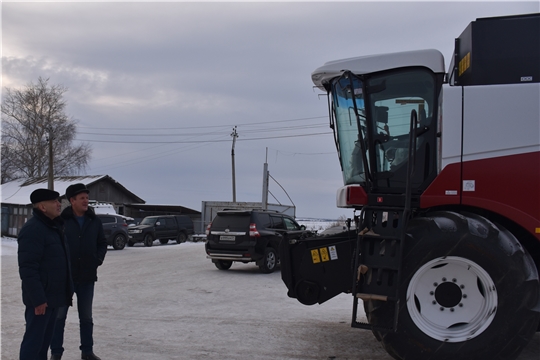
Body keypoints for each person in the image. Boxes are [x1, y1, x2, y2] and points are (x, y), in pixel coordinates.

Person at [50, 183, 107, 360]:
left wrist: (97, 260)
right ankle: (56, 353)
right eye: (82, 198)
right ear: (72, 200)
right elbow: (54, 245)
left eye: (87, 198)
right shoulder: (61, 221)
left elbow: (102, 243)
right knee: (59, 317)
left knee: (86, 317)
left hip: (87, 277)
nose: (86, 201)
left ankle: (87, 352)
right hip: (65, 278)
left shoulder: (94, 221)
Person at [18, 189, 73, 360]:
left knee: (43, 346)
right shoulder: (33, 229)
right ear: (42, 206)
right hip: (41, 300)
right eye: (54, 201)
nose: (59, 204)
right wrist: (38, 299)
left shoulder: (53, 226)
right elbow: (28, 268)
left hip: (53, 298)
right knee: (33, 345)